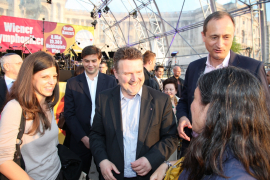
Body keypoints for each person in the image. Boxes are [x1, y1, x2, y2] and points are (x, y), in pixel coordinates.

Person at [176, 11, 270, 157]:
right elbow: (184, 100)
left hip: (236, 155)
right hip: (194, 152)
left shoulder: (252, 68)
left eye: (226, 37)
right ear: (204, 36)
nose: (220, 44)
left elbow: (265, 112)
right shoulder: (194, 67)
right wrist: (182, 117)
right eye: (214, 37)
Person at [151, 67, 270, 180]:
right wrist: (167, 165)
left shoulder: (231, 173)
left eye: (195, 98)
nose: (191, 105)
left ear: (210, 109)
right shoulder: (225, 150)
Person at [89, 47, 178, 180]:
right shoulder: (104, 99)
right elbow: (96, 135)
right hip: (113, 176)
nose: (134, 79)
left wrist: (151, 160)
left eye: (138, 72)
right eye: (128, 73)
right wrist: (102, 160)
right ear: (116, 73)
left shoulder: (161, 100)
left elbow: (171, 137)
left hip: (148, 176)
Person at [0, 51, 62, 179]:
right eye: (45, 77)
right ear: (29, 77)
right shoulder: (14, 108)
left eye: (55, 76)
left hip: (58, 173)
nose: (52, 82)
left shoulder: (47, 105)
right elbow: (3, 160)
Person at [64, 45, 117, 179]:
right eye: (87, 61)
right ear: (82, 61)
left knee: (106, 175)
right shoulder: (72, 83)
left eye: (94, 61)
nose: (90, 64)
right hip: (80, 138)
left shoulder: (111, 82)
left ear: (99, 60)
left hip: (105, 138)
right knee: (80, 174)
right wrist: (83, 138)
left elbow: (115, 110)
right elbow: (69, 114)